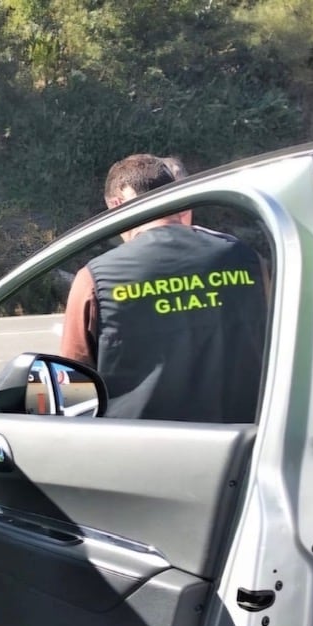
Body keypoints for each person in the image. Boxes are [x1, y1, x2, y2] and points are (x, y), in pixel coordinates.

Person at [59, 153, 268, 423]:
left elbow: (70, 385)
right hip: (243, 445)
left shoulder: (95, 279)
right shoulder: (246, 259)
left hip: (144, 452)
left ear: (116, 205)